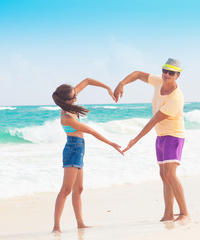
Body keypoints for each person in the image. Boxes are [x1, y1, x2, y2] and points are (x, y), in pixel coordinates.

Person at [114, 58, 190, 222]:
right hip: (161, 136)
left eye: (171, 73)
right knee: (164, 175)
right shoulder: (158, 81)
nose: (166, 75)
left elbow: (154, 119)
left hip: (174, 136)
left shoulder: (176, 98)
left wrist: (135, 139)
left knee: (170, 174)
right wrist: (122, 83)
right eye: (165, 70)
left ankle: (184, 213)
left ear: (178, 76)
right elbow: (138, 74)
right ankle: (168, 214)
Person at [51, 78, 123, 233]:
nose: (76, 98)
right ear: (66, 101)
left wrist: (107, 87)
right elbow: (91, 131)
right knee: (66, 189)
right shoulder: (67, 118)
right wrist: (111, 143)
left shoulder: (69, 101)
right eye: (74, 97)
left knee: (79, 188)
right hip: (73, 150)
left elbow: (88, 81)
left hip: (79, 149)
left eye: (75, 94)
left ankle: (80, 223)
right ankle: (56, 226)